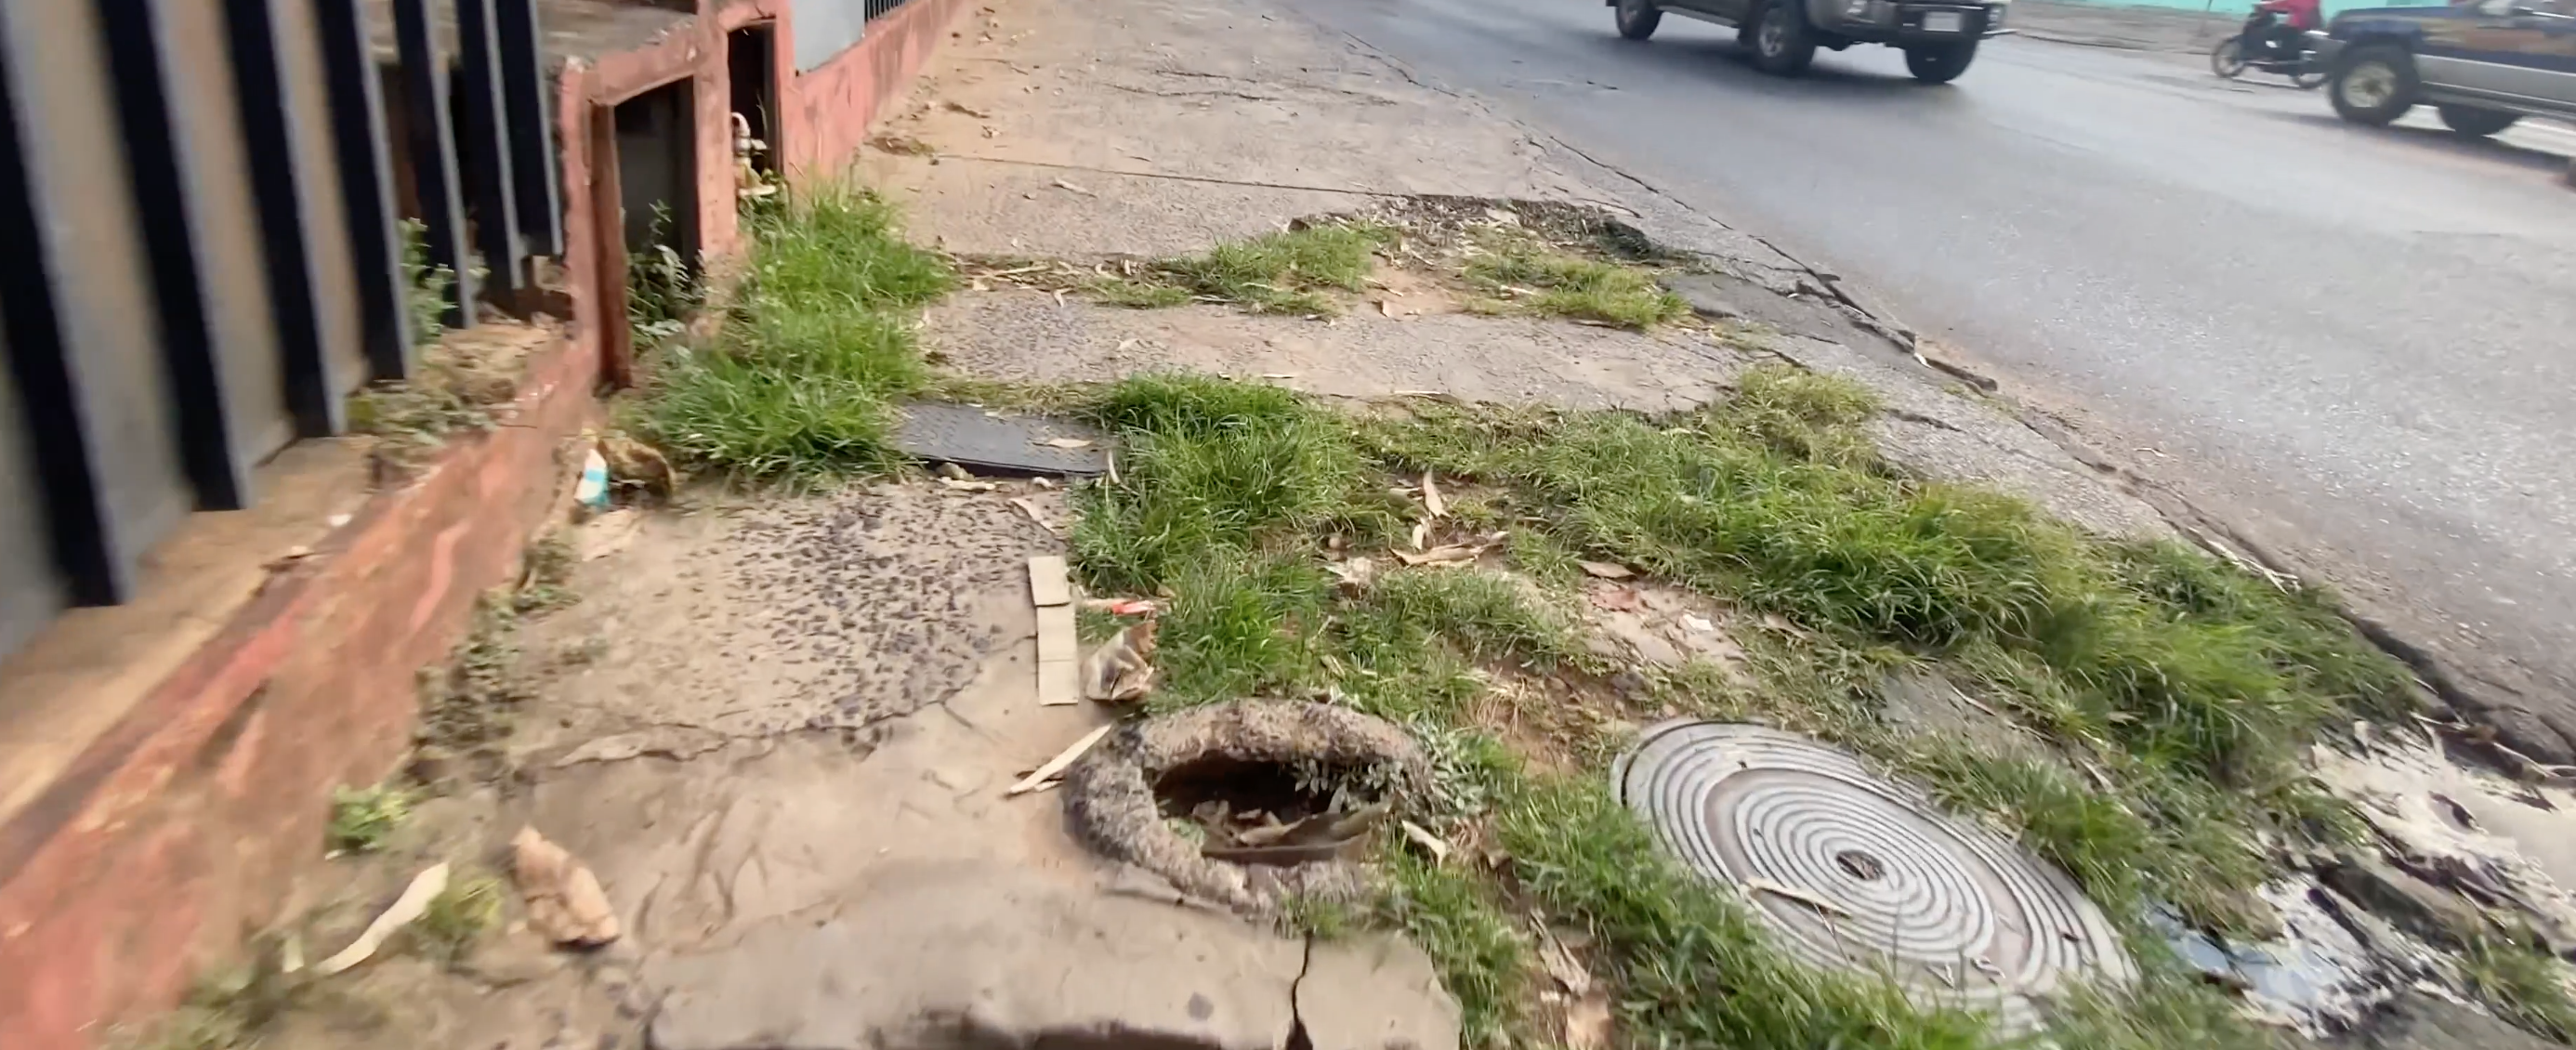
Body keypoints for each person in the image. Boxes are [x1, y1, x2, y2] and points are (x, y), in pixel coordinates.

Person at [2252, 0, 2321, 59]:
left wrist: (2264, 5)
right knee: (2277, 29)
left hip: (2296, 27)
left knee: (2264, 32)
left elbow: (2284, 3)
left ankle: (2264, 54)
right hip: (2299, 27)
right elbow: (2286, 6)